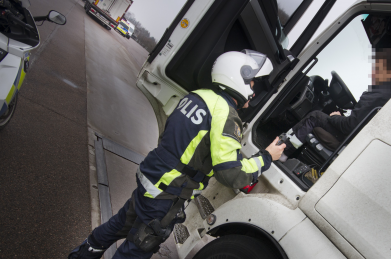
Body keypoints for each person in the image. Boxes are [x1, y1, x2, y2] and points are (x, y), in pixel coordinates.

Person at [68, 50, 286, 259]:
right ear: (238, 78)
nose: (254, 90)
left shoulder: (198, 96)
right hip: (166, 193)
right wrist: (266, 157)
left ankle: (80, 255)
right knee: (138, 248)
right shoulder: (226, 114)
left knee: (118, 225)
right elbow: (231, 173)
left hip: (150, 178)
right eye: (252, 82)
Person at [279, 48, 391, 162]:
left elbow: (350, 126)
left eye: (379, 68)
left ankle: (282, 152)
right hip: (356, 140)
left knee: (315, 116)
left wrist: (335, 116)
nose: (374, 72)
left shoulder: (378, 94)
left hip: (347, 139)